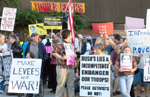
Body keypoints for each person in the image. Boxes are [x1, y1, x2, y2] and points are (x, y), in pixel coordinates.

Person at [53, 29, 77, 97]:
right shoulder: (59, 44)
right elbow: (54, 53)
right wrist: (62, 57)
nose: (72, 35)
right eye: (71, 34)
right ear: (68, 35)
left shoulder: (70, 44)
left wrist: (74, 55)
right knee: (61, 85)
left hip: (70, 66)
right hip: (62, 67)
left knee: (71, 85)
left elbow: (72, 53)